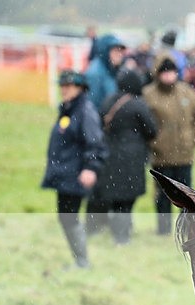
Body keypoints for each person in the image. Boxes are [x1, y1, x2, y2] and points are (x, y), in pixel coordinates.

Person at [41, 70, 108, 269]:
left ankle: (82, 262)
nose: (64, 90)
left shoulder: (85, 111)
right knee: (66, 217)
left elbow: (95, 143)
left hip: (75, 174)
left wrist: (90, 168)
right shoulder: (69, 109)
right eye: (62, 86)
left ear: (80, 88)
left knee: (69, 217)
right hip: (65, 174)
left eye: (68, 86)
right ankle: (80, 260)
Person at [95, 68, 158, 245]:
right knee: (128, 198)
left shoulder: (108, 101)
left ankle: (118, 231)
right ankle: (122, 236)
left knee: (116, 195)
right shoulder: (138, 104)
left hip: (110, 155)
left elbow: (100, 124)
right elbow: (152, 130)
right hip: (133, 158)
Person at [143, 55, 195, 235]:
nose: (169, 76)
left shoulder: (187, 92)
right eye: (165, 72)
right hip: (161, 157)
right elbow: (144, 123)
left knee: (185, 196)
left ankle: (186, 229)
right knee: (162, 196)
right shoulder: (148, 94)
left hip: (185, 155)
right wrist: (155, 144)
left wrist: (192, 140)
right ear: (158, 73)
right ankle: (163, 230)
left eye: (172, 72)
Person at [83, 33, 127, 233]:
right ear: (104, 51)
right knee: (98, 182)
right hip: (99, 136)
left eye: (121, 50)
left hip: (110, 136)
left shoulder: (112, 72)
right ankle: (92, 225)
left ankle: (101, 220)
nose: (119, 54)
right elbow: (90, 110)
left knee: (107, 180)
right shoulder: (95, 73)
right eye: (115, 50)